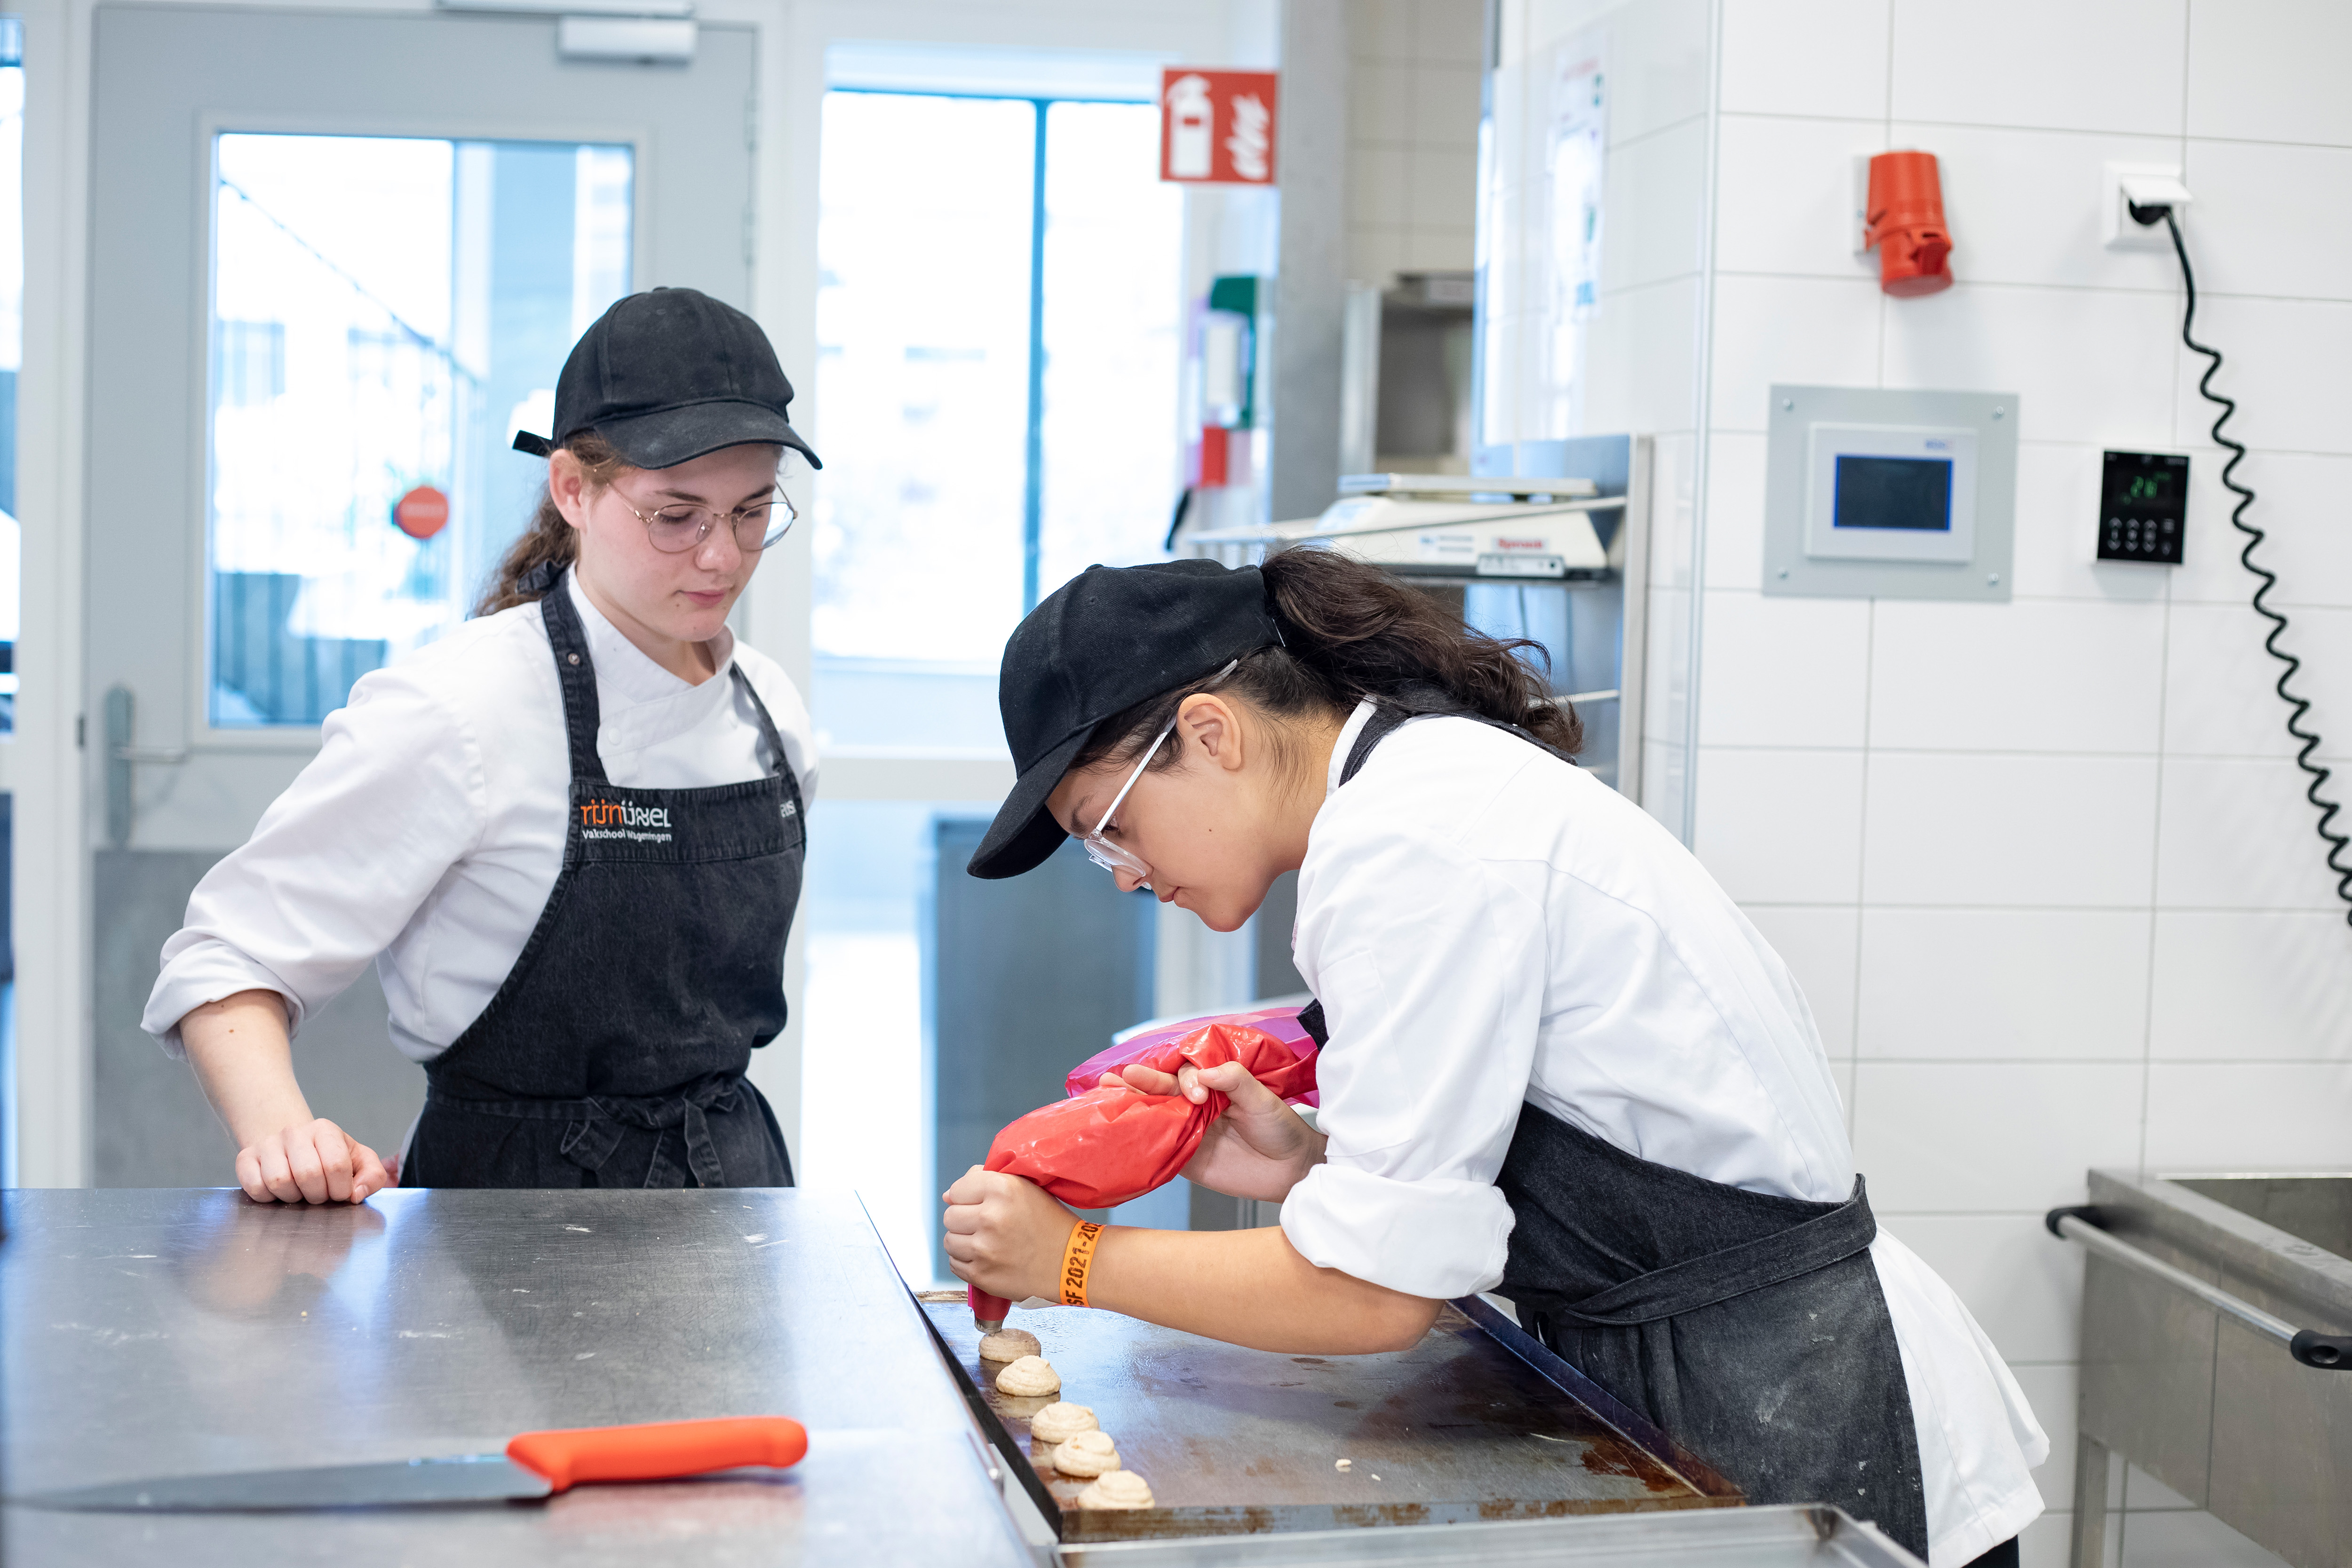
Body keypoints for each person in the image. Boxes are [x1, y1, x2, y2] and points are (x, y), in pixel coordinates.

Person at [942, 552, 2046, 1568]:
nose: (1125, 874)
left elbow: (1371, 1299)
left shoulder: (1405, 844)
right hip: (1736, 1380)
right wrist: (1307, 1161)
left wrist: (1068, 1257)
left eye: (1109, 827)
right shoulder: (1421, 789)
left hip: (1806, 1408)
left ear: (1210, 731)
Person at [145, 287, 820, 1202]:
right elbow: (228, 953)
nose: (721, 557)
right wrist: (283, 1134)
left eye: (752, 512)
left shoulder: (768, 710)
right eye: (676, 515)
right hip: (502, 1228)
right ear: (572, 488)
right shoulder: (457, 710)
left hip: (732, 1200)